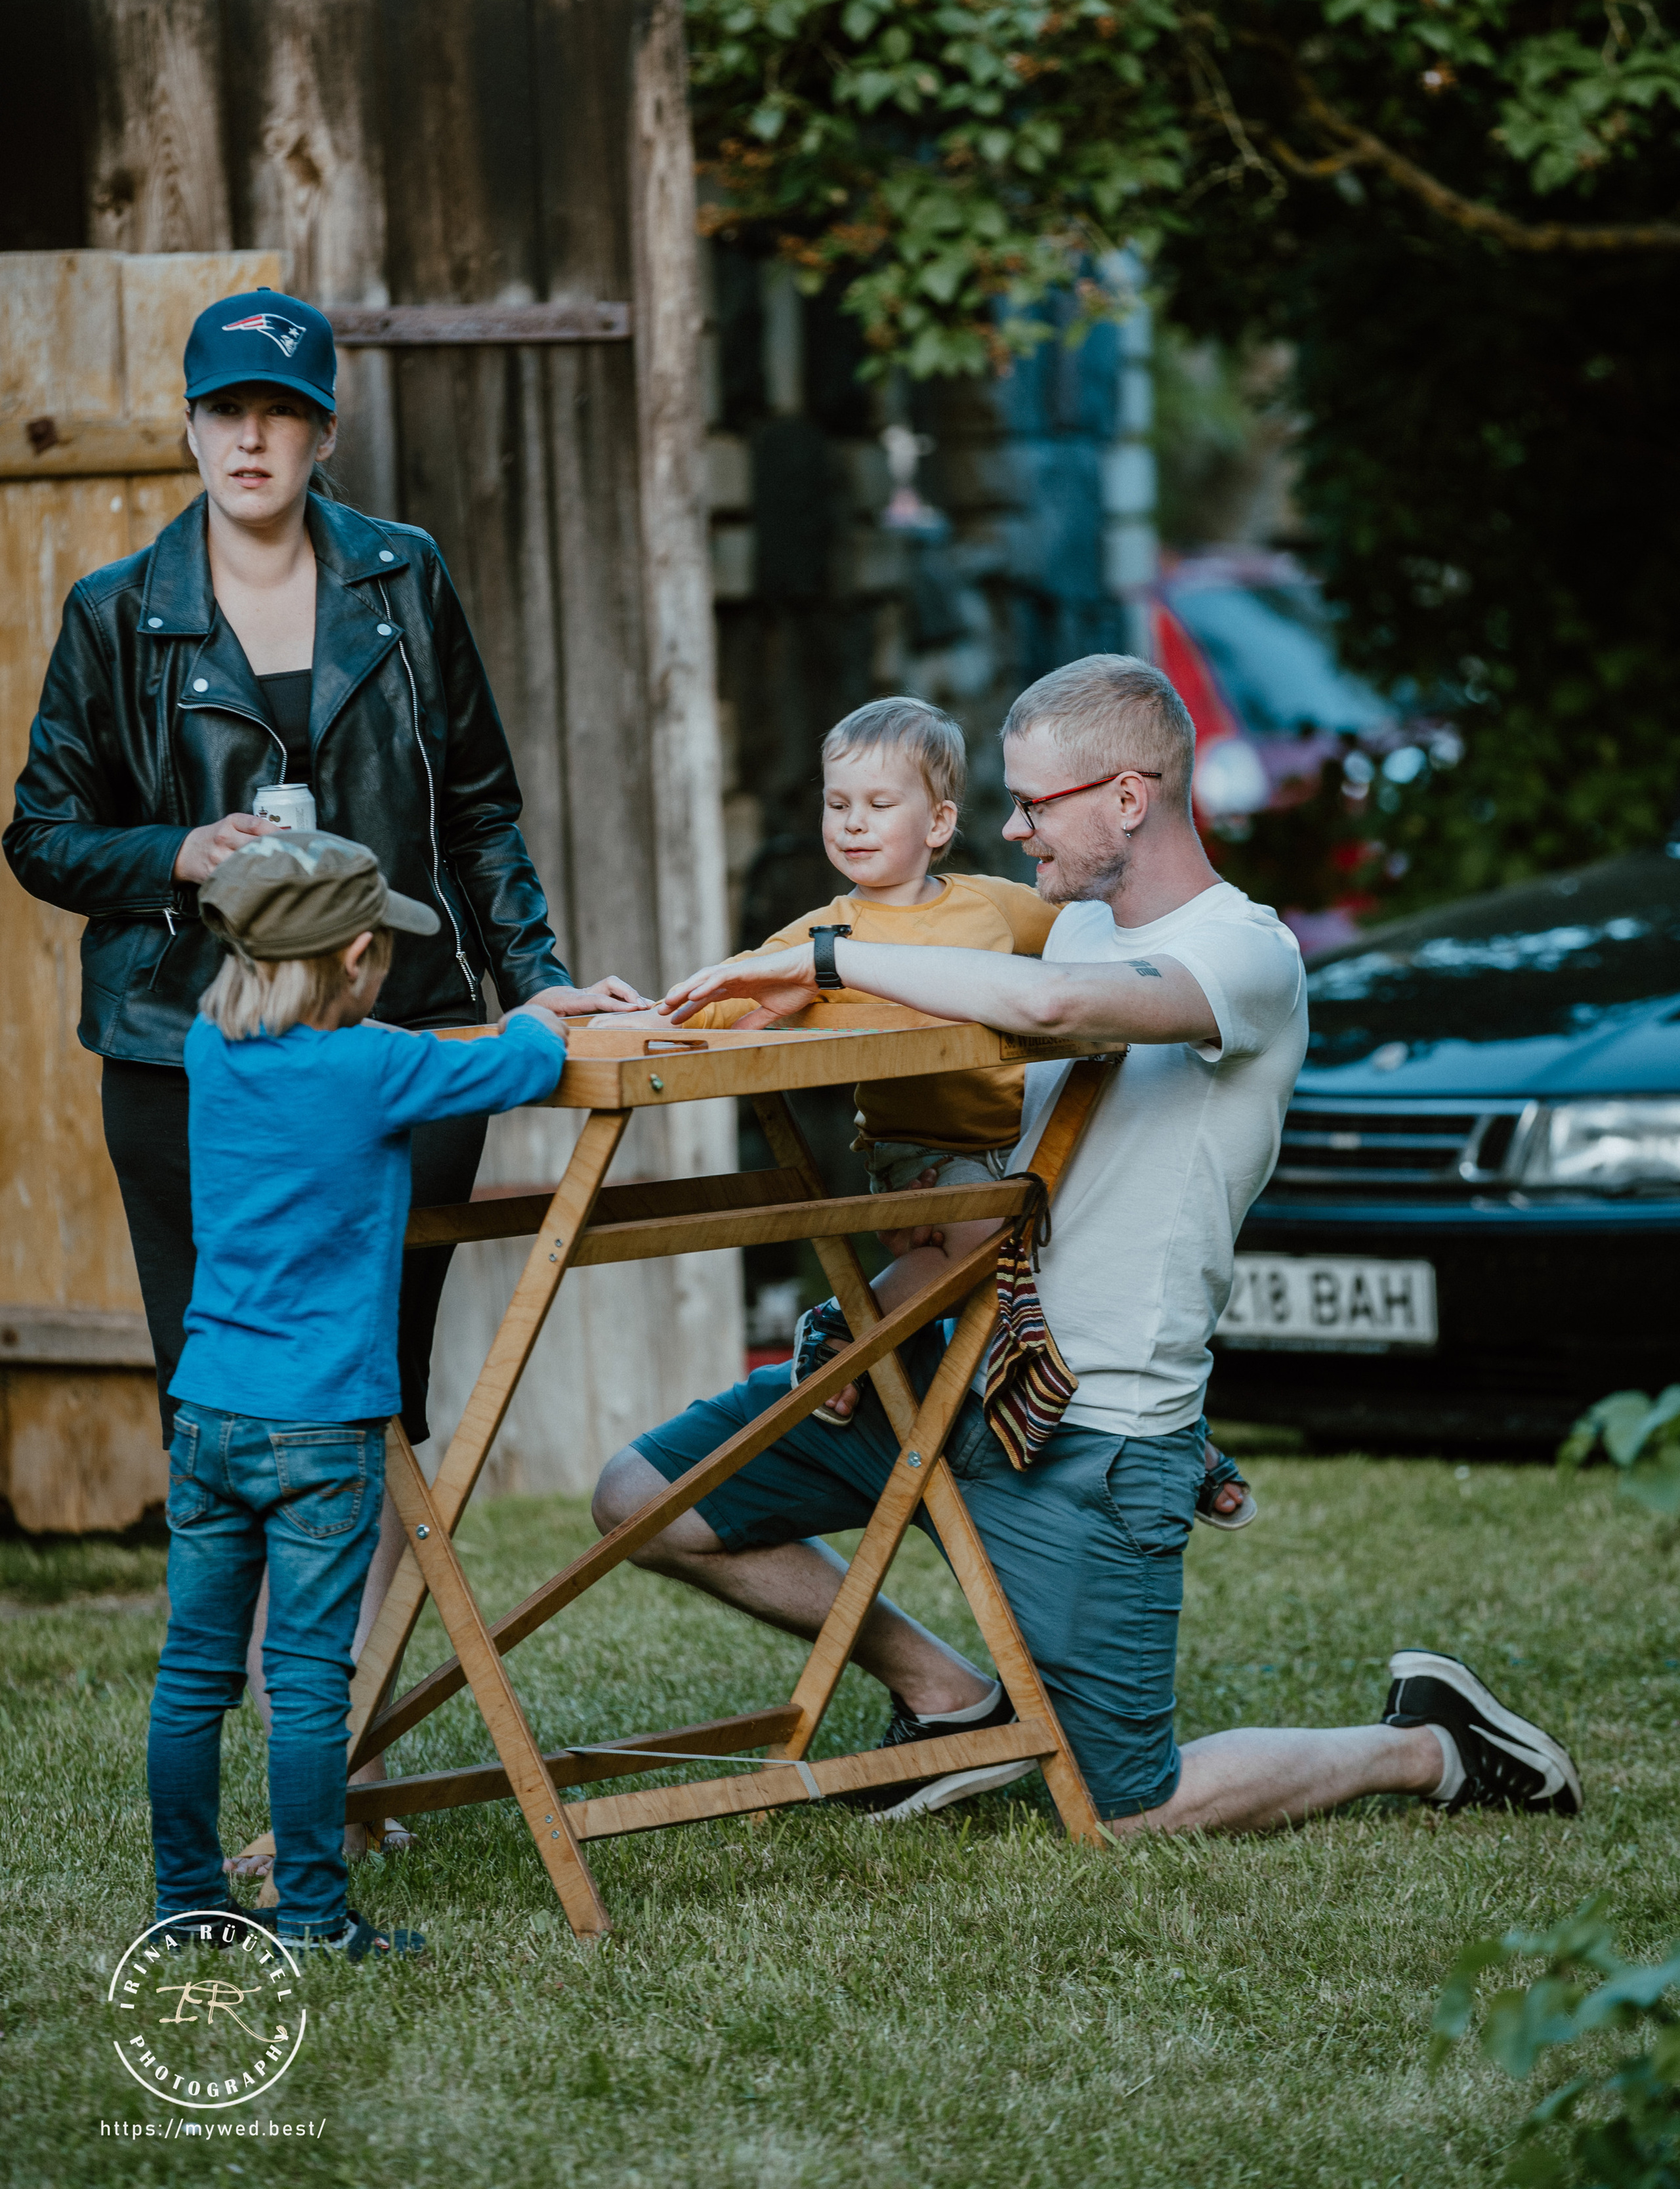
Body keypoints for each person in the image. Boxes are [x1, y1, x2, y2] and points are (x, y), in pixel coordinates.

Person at [595, 654, 1582, 1832]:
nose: (1011, 831)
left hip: (1093, 1423)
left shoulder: (1246, 956)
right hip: (946, 1358)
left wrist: (825, 951)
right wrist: (674, 1018)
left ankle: (1427, 1744)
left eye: (1035, 804)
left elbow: (1069, 1011)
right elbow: (983, 1061)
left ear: (1128, 797)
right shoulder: (1058, 937)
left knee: (1124, 1807)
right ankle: (948, 1698)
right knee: (645, 1496)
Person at [3, 287, 645, 1850]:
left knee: (369, 1406)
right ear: (189, 424)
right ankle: (246, 1767)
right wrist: (177, 850)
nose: (251, 436)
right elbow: (40, 833)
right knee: (221, 1395)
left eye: (280, 412)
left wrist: (540, 985)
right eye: (226, 409)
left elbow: (480, 803)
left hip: (395, 1040)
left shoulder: (400, 575)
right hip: (188, 1060)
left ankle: (333, 1758)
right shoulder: (116, 608)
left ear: (321, 431)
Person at [661, 692, 1250, 1519]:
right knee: (990, 1244)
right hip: (920, 1149)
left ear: (938, 823)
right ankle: (845, 1327)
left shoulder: (991, 906)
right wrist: (657, 1014)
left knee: (1067, 1277)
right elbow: (736, 988)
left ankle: (1166, 1441)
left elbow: (1089, 956)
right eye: (837, 806)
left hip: (1014, 1147)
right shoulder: (827, 930)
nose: (852, 826)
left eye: (876, 805)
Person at [150, 832, 567, 1953]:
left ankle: (186, 1901)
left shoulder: (206, 1049)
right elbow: (530, 1062)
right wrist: (544, 1008)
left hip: (209, 1411)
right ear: (357, 959)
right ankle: (320, 1914)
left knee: (194, 1671)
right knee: (306, 1678)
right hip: (321, 1424)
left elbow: (311, 1056)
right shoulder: (378, 1070)